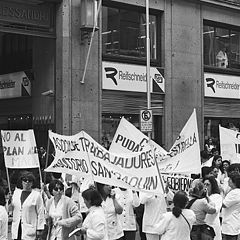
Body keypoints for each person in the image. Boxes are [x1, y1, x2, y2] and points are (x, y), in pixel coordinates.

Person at [11, 171, 45, 240]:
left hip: (29, 227)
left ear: (32, 183)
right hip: (17, 227)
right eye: (25, 180)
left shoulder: (36, 195)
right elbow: (13, 207)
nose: (27, 182)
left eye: (29, 181)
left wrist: (39, 229)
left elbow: (40, 212)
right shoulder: (16, 193)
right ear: (21, 181)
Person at [221, 172, 240, 240]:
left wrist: (221, 193)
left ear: (233, 182)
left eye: (230, 180)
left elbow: (224, 204)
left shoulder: (235, 192)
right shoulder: (234, 191)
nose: (228, 181)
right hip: (231, 224)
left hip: (230, 225)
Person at [203, 176, 222, 240]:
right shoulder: (201, 197)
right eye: (204, 184)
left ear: (212, 186)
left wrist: (207, 197)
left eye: (208, 185)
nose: (205, 186)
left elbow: (215, 210)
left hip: (213, 226)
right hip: (203, 227)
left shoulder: (217, 197)